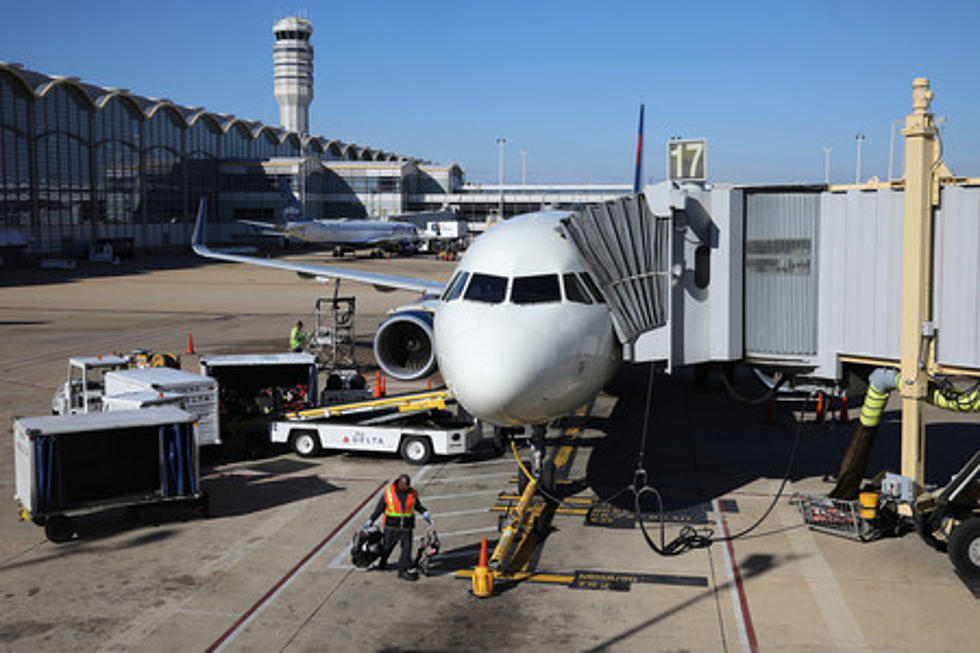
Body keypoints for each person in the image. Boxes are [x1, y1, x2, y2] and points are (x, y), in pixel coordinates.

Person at [365, 473, 433, 581]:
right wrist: (371, 520)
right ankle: (382, 562)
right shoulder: (388, 492)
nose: (406, 487)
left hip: (406, 527)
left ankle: (402, 571)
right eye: (404, 484)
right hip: (391, 526)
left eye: (408, 484)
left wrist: (424, 512)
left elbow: (417, 505)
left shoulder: (412, 493)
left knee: (406, 550)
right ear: (399, 483)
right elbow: (379, 508)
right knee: (387, 547)